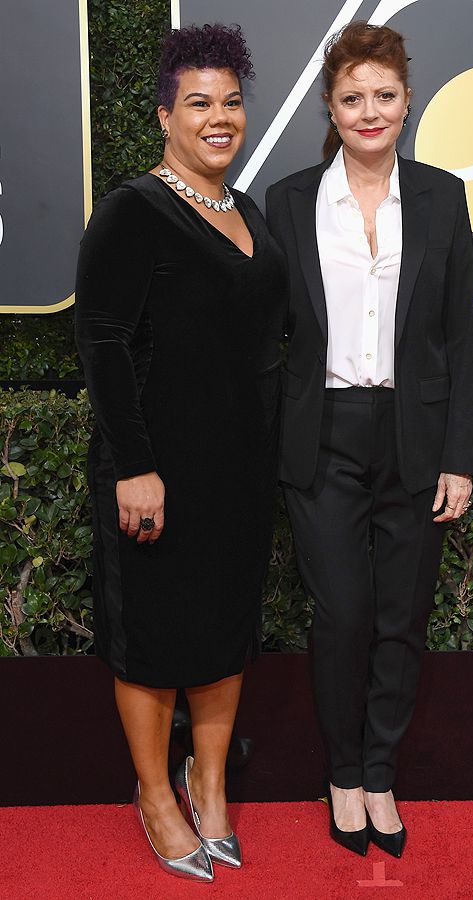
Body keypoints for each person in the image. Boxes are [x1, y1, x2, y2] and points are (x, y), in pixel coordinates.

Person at [266, 21, 473, 858]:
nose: (368, 111)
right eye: (352, 98)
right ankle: (342, 773)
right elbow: (266, 335)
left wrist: (461, 455)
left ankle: (382, 773)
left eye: (383, 96)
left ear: (407, 100)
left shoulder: (443, 196)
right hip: (321, 434)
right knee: (344, 612)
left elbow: (461, 337)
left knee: (402, 617)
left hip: (416, 434)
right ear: (329, 105)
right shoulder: (287, 202)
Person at [75, 23, 285, 883]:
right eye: (199, 102)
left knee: (224, 632)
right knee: (156, 639)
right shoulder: (133, 209)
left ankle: (212, 788)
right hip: (156, 471)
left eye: (231, 102)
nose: (219, 118)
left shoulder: (246, 209)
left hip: (240, 473)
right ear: (166, 115)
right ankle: (156, 795)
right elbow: (102, 339)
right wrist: (134, 464)